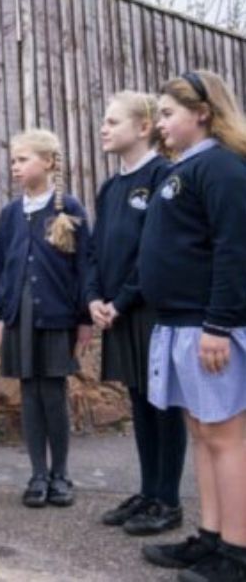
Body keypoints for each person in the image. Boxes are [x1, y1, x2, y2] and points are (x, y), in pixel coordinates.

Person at [139, 70, 246, 582]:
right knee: (203, 434)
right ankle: (211, 537)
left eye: (166, 114)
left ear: (201, 113)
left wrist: (219, 325)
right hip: (178, 324)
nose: (159, 124)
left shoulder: (222, 168)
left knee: (226, 438)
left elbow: (234, 250)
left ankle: (237, 554)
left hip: (207, 327)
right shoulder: (181, 169)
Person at [89, 91, 187, 536]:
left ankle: (168, 500)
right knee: (139, 404)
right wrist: (93, 298)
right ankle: (148, 492)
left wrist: (122, 300)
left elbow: (155, 252)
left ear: (143, 127)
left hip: (150, 311)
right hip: (115, 313)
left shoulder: (164, 177)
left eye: (112, 121)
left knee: (163, 405)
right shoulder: (110, 187)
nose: (104, 128)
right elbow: (93, 252)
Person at [0, 128, 92, 509]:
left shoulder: (69, 209)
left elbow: (85, 265)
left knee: (53, 392)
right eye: (13, 160)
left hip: (56, 315)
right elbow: (2, 266)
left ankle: (61, 474)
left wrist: (84, 317)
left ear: (48, 162)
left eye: (22, 159)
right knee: (29, 393)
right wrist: (1, 314)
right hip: (20, 314)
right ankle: (36, 473)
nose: (15, 167)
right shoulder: (10, 214)